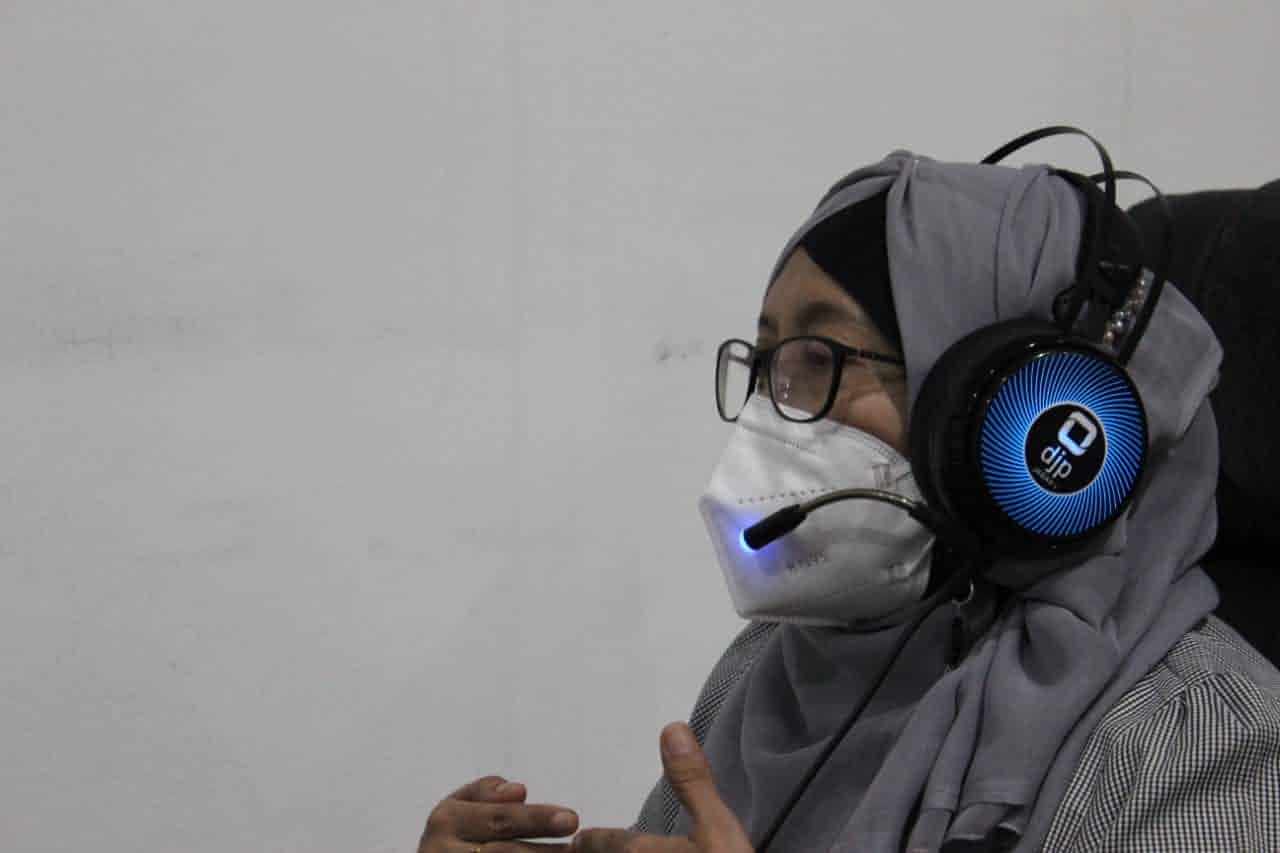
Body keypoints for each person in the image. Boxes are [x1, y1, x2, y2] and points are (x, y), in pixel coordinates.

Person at [417, 135, 1280, 853]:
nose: (773, 411)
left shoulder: (1204, 747)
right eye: (767, 363)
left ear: (1010, 415)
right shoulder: (773, 666)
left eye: (819, 360)